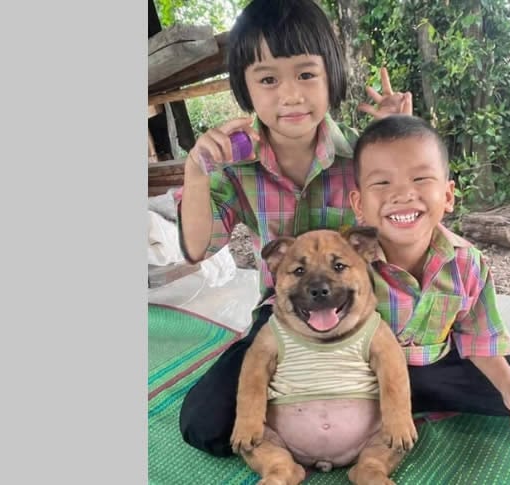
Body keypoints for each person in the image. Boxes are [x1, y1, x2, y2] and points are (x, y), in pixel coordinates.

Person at [176, 0, 411, 457]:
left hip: (366, 319)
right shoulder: (236, 169)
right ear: (244, 88)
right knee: (204, 424)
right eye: (268, 79)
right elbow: (197, 247)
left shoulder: (361, 156)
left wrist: (395, 142)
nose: (290, 95)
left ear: (331, 77)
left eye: (306, 74)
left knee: (464, 377)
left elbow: (411, 223)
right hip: (283, 319)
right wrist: (196, 172)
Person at [348, 115, 510, 453]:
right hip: (367, 381)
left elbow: (479, 341)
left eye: (420, 178)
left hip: (442, 372)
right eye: (383, 182)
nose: (403, 194)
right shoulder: (346, 264)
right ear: (359, 204)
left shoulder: (465, 262)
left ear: (448, 195)